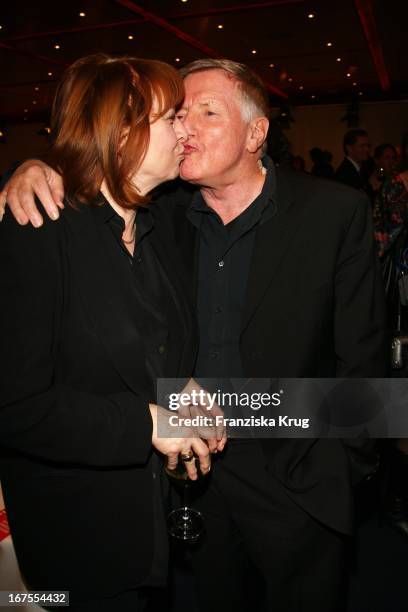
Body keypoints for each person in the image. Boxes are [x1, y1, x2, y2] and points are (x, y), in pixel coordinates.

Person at [0, 58, 387, 612]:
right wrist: (30, 166)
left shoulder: (333, 212)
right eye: (178, 113)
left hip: (296, 481)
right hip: (186, 487)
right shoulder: (163, 216)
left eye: (207, 112)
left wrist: (340, 474)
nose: (187, 128)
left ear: (257, 133)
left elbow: (365, 368)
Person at [0, 53, 220, 611]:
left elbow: (150, 346)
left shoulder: (157, 223)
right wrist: (148, 421)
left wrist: (181, 388)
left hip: (149, 518)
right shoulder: (39, 230)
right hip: (78, 535)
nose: (185, 129)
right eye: (172, 117)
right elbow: (16, 407)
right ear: (120, 131)